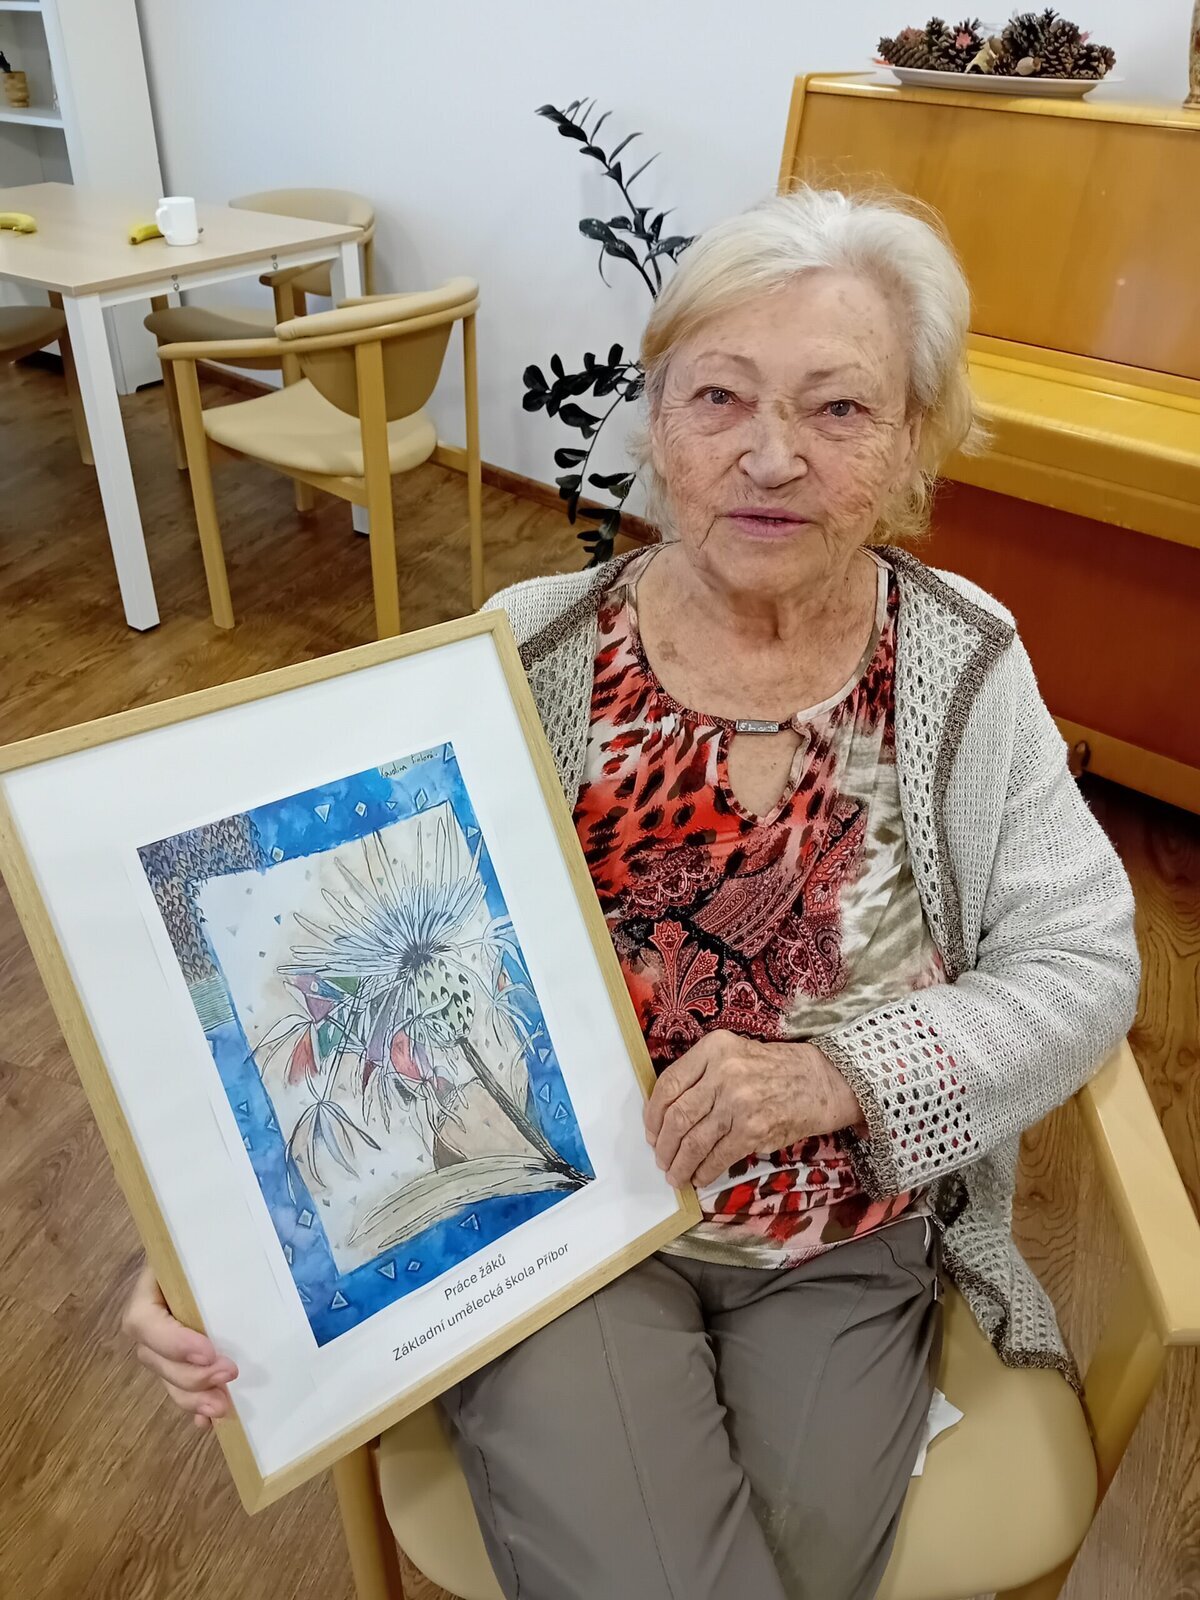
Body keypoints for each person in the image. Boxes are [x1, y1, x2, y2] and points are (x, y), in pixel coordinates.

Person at [123, 186, 1140, 1599]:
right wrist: (219, 1239)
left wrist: (835, 1078)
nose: (770, 455)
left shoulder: (964, 663)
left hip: (843, 1228)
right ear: (656, 420)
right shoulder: (519, 658)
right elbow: (310, 955)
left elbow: (1084, 961)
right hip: (561, 1225)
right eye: (718, 396)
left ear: (914, 441)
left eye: (839, 408)